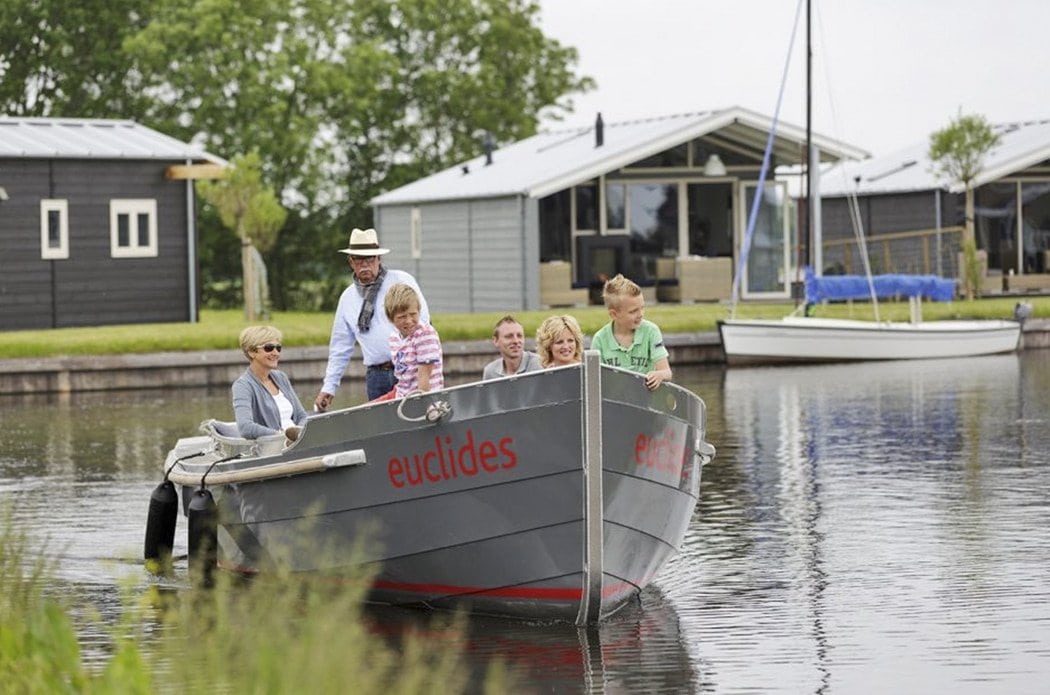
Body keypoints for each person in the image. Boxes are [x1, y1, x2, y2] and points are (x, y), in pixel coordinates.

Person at [314, 227, 430, 408]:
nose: (365, 265)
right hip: (377, 376)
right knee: (383, 431)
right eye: (359, 260)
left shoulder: (401, 280)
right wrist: (329, 387)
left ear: (379, 259)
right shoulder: (347, 298)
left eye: (369, 259)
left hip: (411, 369)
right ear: (351, 262)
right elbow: (340, 347)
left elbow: (422, 322)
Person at [590, 273, 672, 391]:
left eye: (642, 308)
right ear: (614, 314)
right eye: (633, 311)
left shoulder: (651, 332)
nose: (640, 314)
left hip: (645, 402)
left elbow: (667, 372)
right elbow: (593, 382)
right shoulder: (599, 339)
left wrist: (660, 375)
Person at [232, 325, 308, 440]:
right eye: (269, 348)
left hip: (298, 441)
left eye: (278, 348)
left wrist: (300, 433)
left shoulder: (281, 377)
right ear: (252, 352)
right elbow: (245, 428)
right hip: (273, 446)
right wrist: (280, 436)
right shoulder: (242, 386)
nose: (276, 353)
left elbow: (302, 416)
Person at [384, 282, 444, 399]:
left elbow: (424, 377)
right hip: (402, 397)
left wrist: (422, 405)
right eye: (402, 317)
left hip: (424, 399)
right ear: (391, 319)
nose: (409, 320)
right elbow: (402, 376)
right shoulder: (394, 337)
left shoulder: (424, 334)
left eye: (413, 314)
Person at [482, 315, 542, 380]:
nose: (516, 341)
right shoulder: (490, 371)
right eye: (509, 336)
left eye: (519, 336)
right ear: (495, 341)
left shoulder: (540, 364)